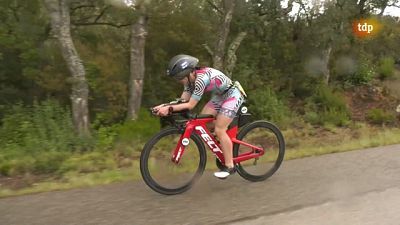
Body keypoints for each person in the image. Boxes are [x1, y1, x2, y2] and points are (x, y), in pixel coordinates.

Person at [153, 54, 246, 179]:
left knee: (219, 129)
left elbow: (190, 105)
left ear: (188, 73)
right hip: (220, 96)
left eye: (179, 77)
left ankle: (230, 166)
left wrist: (169, 108)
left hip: (232, 95)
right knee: (204, 121)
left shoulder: (201, 80)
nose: (179, 81)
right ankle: (224, 143)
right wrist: (164, 105)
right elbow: (182, 101)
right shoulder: (189, 80)